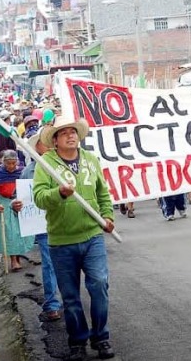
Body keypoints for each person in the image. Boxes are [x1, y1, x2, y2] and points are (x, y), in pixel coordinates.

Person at [33, 116, 115, 361]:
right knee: (70, 297)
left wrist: (108, 216)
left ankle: (101, 337)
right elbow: (39, 197)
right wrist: (59, 192)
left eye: (73, 131)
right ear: (55, 140)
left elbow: (103, 192)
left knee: (99, 284)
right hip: (61, 242)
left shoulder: (91, 160)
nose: (71, 135)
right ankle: (77, 340)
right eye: (64, 132)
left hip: (92, 236)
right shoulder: (45, 163)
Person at [12, 128, 62, 322]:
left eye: (51, 141)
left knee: (69, 265)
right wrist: (16, 207)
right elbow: (22, 202)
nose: (48, 145)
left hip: (67, 224)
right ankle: (52, 304)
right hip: (44, 226)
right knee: (49, 264)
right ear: (38, 147)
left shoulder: (65, 165)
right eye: (44, 142)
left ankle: (68, 299)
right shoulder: (28, 171)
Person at [0, 150, 35, 271]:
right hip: (5, 204)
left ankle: (18, 257)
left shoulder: (22, 171)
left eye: (14, 163)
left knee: (21, 233)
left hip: (19, 203)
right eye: (8, 163)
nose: (11, 166)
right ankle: (14, 261)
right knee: (11, 234)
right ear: (4, 163)